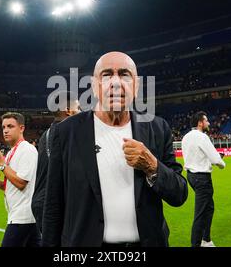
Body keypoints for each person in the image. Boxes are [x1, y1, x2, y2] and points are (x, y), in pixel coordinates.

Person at [42, 51, 188, 247]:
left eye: (125, 74)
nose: (116, 82)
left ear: (135, 86)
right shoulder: (66, 132)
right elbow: (53, 205)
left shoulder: (158, 128)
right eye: (107, 74)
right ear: (94, 86)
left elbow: (179, 194)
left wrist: (152, 166)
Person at [32, 91, 80, 236]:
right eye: (78, 108)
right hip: (57, 205)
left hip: (41, 202)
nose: (80, 111)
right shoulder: (71, 134)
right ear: (68, 110)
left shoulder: (45, 135)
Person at [0, 112, 40, 247]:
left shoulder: (28, 150)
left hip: (22, 216)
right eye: (3, 127)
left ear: (21, 128)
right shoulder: (11, 152)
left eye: (10, 126)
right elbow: (12, 183)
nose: (5, 130)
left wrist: (1, 163)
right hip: (20, 214)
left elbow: (21, 183)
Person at [181, 111, 226, 247]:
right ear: (200, 122)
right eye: (206, 120)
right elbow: (214, 159)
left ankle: (206, 239)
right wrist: (222, 163)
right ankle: (197, 244)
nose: (208, 123)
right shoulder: (202, 137)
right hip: (202, 178)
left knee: (209, 208)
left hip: (191, 175)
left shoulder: (186, 137)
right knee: (200, 213)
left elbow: (196, 155)